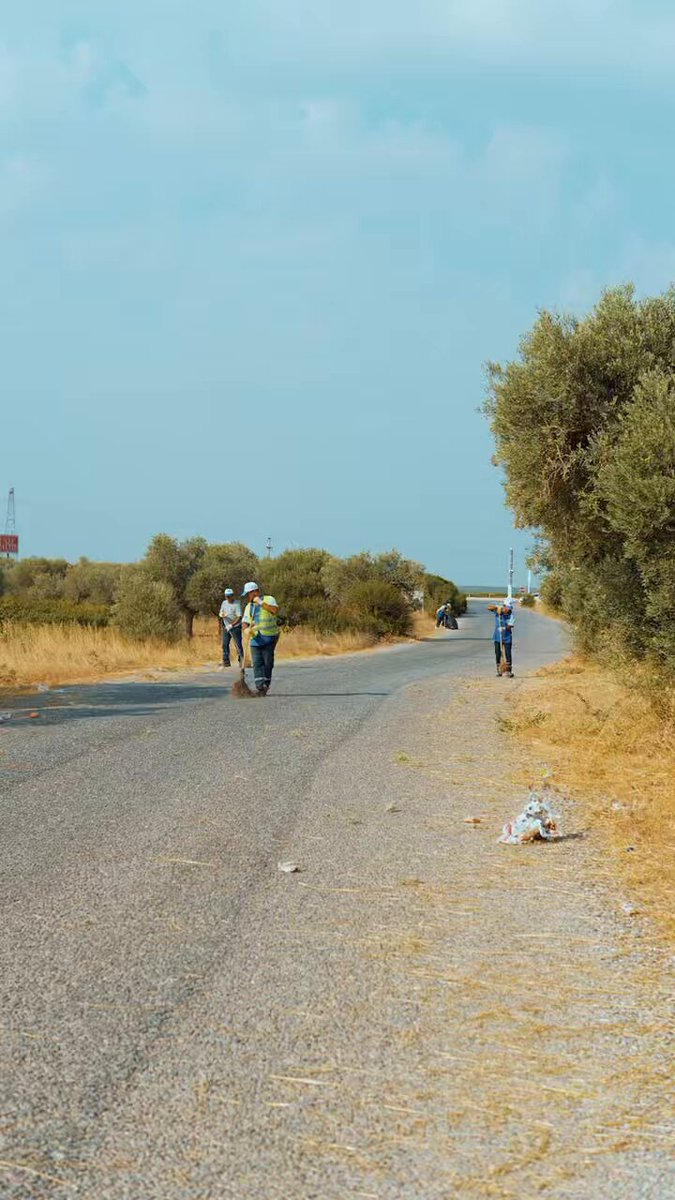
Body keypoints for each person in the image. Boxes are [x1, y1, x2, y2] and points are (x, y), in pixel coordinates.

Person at [241, 581, 280, 696]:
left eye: (248, 594)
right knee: (257, 663)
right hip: (255, 639)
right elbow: (244, 621)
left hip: (269, 637)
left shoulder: (269, 599)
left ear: (254, 592)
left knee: (268, 663)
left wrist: (261, 603)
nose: (248, 597)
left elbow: (275, 611)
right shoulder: (249, 607)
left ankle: (266, 684)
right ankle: (260, 687)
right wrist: (245, 629)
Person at [488, 598, 515, 677]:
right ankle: (499, 670)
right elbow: (489, 607)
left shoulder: (511, 615)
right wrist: (497, 608)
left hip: (507, 637)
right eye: (507, 607)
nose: (508, 609)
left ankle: (508, 671)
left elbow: (510, 625)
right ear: (504, 606)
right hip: (497, 637)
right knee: (498, 653)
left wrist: (503, 628)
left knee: (508, 654)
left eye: (509, 608)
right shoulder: (498, 612)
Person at [218, 587, 243, 668]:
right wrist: (221, 614)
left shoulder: (237, 604)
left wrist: (231, 625)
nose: (228, 598)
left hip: (235, 627)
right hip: (226, 626)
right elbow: (222, 611)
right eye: (227, 596)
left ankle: (241, 660)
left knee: (237, 644)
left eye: (230, 596)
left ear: (232, 596)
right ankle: (226, 661)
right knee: (225, 644)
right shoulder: (224, 603)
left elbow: (239, 617)